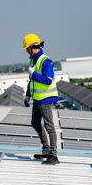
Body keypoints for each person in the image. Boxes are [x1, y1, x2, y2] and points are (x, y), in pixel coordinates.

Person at [22, 33, 60, 165]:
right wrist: (27, 95)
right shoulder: (33, 60)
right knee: (35, 122)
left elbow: (48, 80)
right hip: (37, 98)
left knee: (49, 126)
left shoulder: (45, 61)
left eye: (27, 48)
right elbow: (32, 81)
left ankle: (54, 155)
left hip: (46, 99)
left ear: (33, 47)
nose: (26, 50)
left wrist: (35, 74)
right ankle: (46, 148)